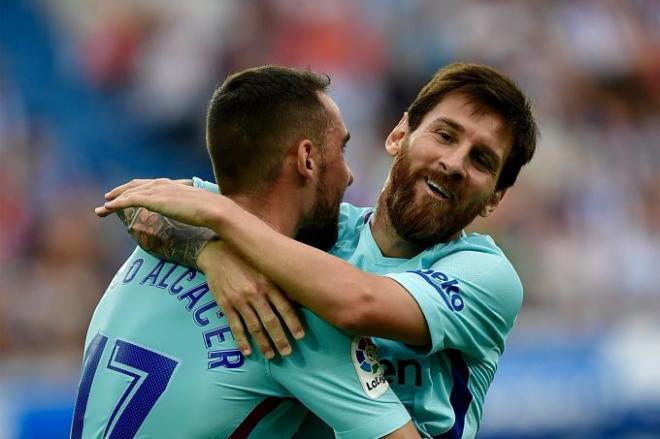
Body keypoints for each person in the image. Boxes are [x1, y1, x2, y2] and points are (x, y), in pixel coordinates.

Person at [100, 62, 539, 438]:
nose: (455, 163)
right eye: (445, 135)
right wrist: (211, 255)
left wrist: (222, 222)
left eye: (482, 160)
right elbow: (140, 204)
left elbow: (358, 301)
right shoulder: (315, 226)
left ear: (495, 198)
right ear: (399, 134)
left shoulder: (486, 276)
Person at [72, 65, 420, 439]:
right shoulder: (285, 316)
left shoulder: (173, 226)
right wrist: (211, 254)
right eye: (342, 149)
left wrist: (208, 252)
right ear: (307, 159)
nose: (349, 174)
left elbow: (130, 201)